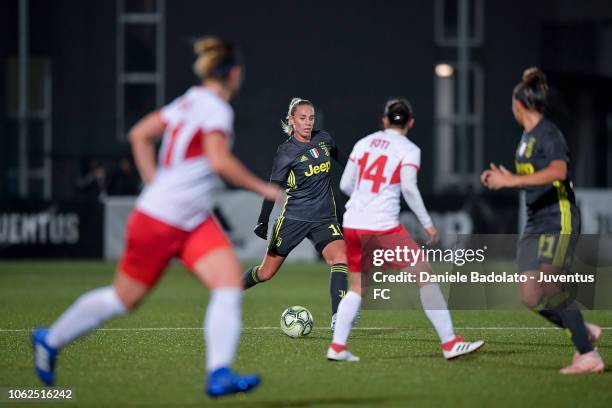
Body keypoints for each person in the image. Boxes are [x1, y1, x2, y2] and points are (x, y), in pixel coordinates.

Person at [31, 36, 283, 397]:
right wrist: (264, 188)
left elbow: (139, 134)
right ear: (235, 74)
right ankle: (50, 339)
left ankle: (219, 373)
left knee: (228, 284)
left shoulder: (189, 100)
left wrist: (154, 181)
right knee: (124, 299)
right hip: (161, 220)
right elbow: (218, 159)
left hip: (191, 220)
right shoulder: (216, 109)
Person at [327, 98, 484, 362]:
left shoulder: (363, 143)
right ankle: (450, 343)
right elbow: (409, 188)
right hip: (382, 227)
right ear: (410, 122)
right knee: (426, 276)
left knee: (357, 287)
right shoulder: (409, 149)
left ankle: (338, 347)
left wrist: (365, 200)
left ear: (384, 120)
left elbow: (344, 184)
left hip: (353, 223)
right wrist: (427, 223)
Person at [480, 67, 604, 374]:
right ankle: (581, 328)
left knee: (551, 285)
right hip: (534, 221)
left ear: (519, 105)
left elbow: (559, 171)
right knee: (530, 295)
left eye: (512, 104)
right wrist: (509, 177)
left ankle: (588, 355)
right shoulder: (526, 138)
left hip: (557, 216)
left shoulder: (549, 133)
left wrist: (510, 183)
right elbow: (533, 177)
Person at [242, 98, 348, 329]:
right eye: (302, 118)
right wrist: (262, 221)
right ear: (291, 120)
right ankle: (230, 289)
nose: (308, 123)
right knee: (265, 273)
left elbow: (347, 163)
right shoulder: (286, 152)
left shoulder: (324, 139)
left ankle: (339, 318)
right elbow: (273, 189)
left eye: (311, 118)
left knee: (340, 258)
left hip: (324, 218)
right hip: (294, 219)